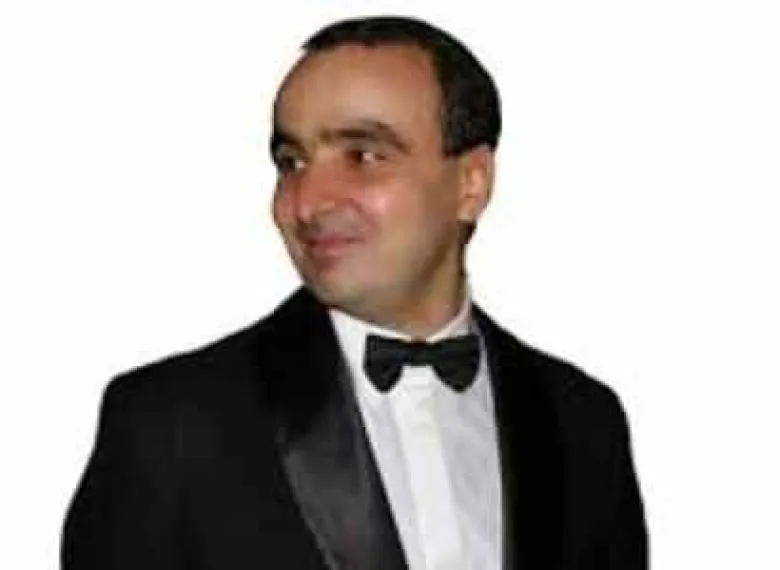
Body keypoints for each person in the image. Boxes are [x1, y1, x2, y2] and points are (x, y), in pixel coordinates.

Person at [61, 15, 648, 570]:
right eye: (292, 161)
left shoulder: (582, 421)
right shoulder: (170, 425)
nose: (307, 202)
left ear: (471, 184)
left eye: (364, 156)